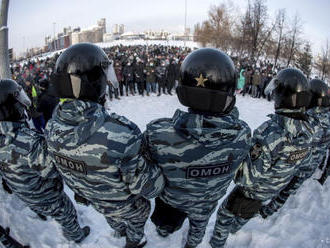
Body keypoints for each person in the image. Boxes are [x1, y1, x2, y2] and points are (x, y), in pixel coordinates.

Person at [45, 43, 164, 248]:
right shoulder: (120, 133)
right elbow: (148, 187)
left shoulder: (51, 128)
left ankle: (118, 230)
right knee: (137, 218)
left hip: (96, 201)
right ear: (95, 82)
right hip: (127, 205)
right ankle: (134, 241)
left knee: (113, 218)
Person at [143, 48, 251, 248]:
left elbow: (146, 180)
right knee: (199, 226)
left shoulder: (157, 133)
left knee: (167, 221)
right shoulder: (242, 134)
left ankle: (165, 230)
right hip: (207, 202)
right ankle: (192, 244)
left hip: (171, 200)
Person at [210, 68, 314, 248]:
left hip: (250, 193)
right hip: (270, 192)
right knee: (245, 215)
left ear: (283, 96)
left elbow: (246, 179)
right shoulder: (309, 131)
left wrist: (234, 158)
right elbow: (304, 166)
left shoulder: (271, 133)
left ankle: (216, 243)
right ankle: (235, 229)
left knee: (224, 214)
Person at [0, 79, 89, 244]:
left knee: (38, 205)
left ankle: (41, 212)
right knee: (67, 213)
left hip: (24, 192)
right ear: (12, 105)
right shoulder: (30, 142)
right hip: (46, 195)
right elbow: (56, 170)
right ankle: (77, 236)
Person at [258, 79, 330, 218]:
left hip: (297, 163)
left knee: (284, 188)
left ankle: (267, 210)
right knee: (289, 190)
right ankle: (271, 210)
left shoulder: (310, 119)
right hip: (311, 165)